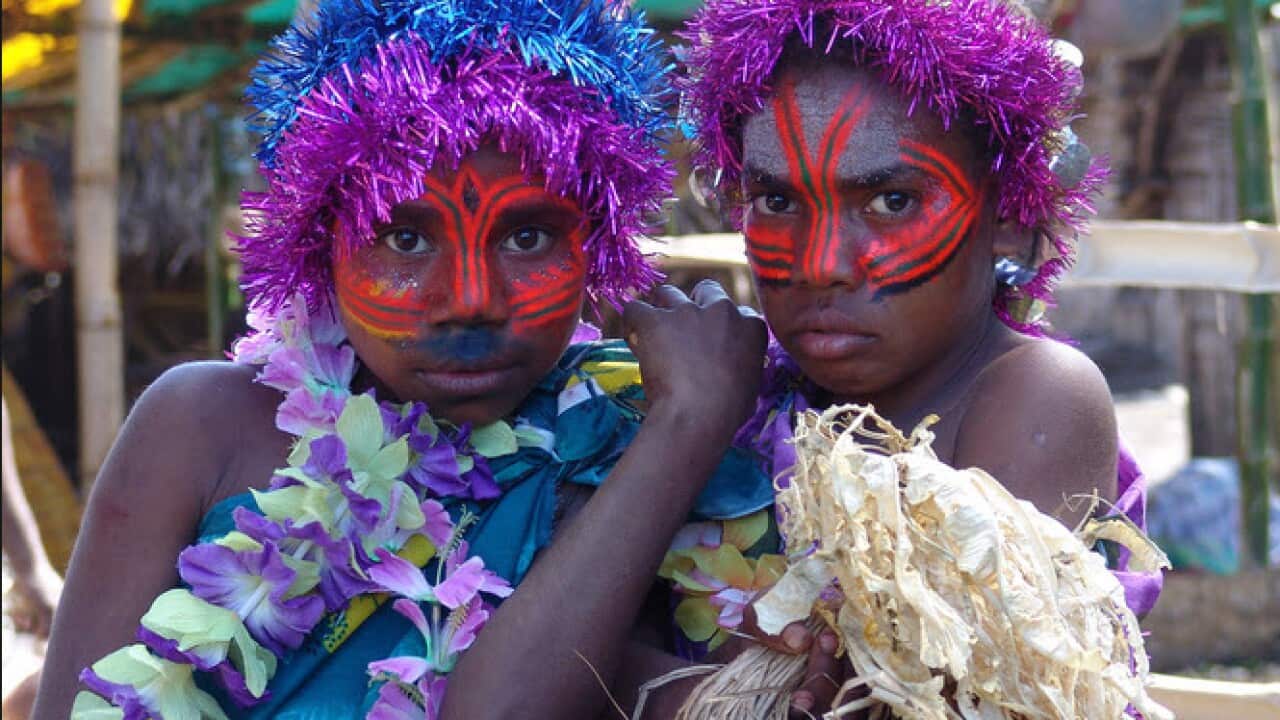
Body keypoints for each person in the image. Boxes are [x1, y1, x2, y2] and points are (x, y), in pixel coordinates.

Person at [32, 1, 807, 717]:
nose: (470, 299)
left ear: (595, 243)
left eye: (528, 236)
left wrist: (684, 425)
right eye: (404, 238)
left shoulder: (621, 451)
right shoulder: (202, 426)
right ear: (316, 244)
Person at [670, 0, 1164, 712]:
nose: (821, 265)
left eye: (893, 200)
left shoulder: (1035, 395)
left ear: (1011, 221)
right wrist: (683, 421)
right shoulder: (734, 401)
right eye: (776, 200)